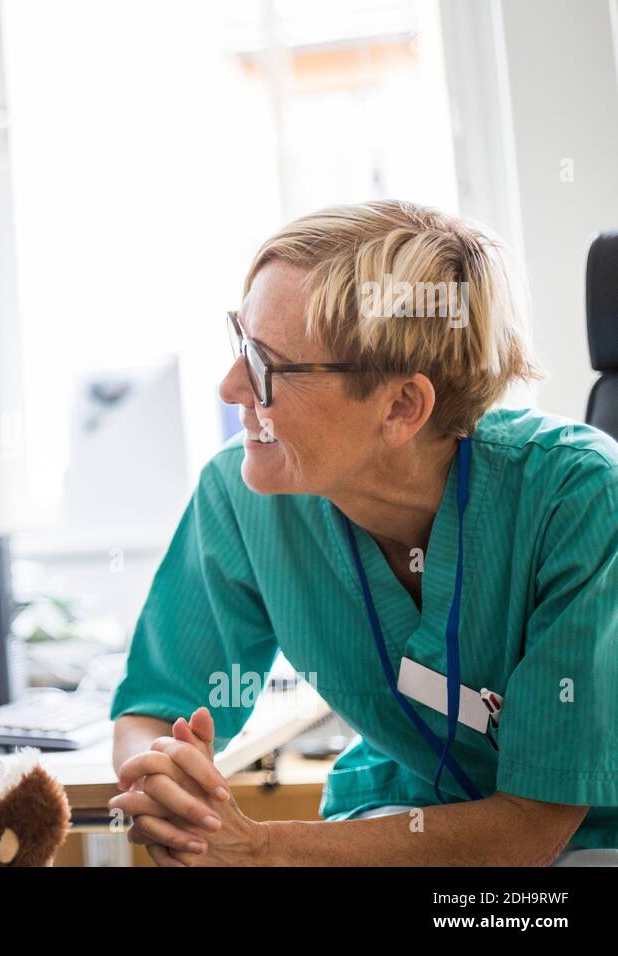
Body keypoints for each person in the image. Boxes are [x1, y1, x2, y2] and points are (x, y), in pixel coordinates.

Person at [109, 200, 618, 866]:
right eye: (240, 343)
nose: (230, 386)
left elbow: (531, 828)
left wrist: (260, 849)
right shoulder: (244, 495)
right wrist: (165, 781)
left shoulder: (579, 497)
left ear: (402, 406)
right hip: (400, 812)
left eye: (266, 367)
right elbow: (156, 707)